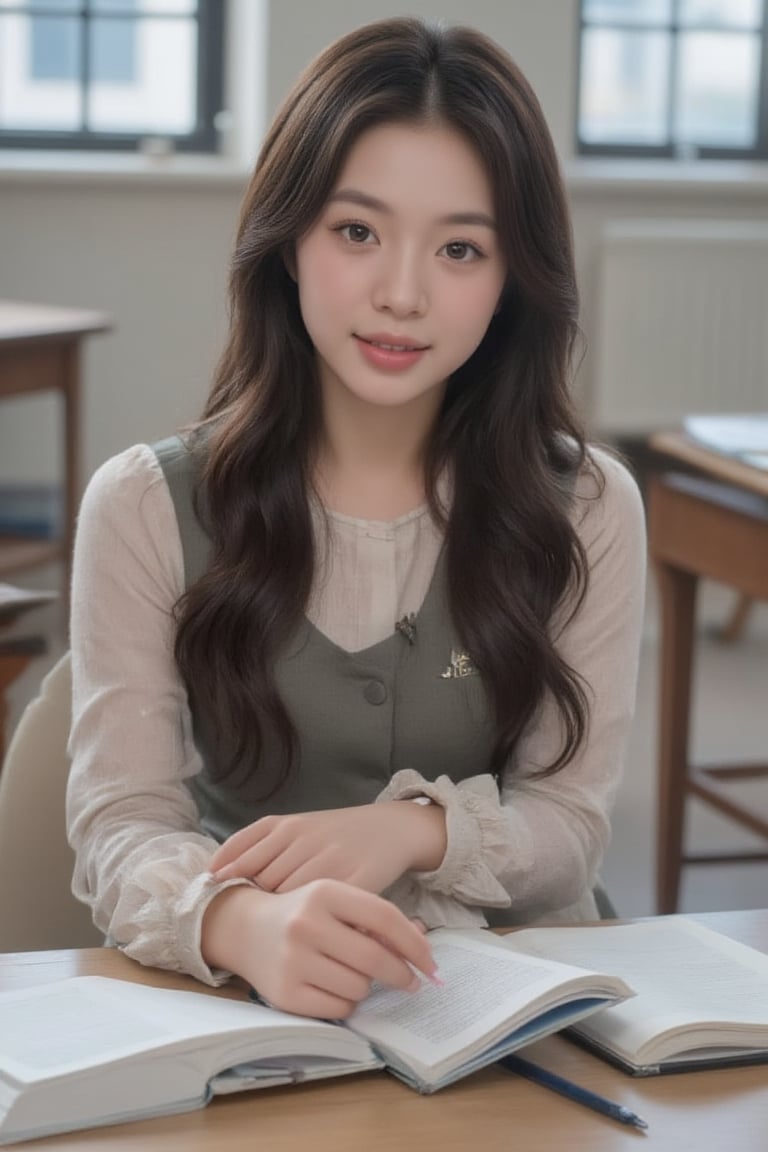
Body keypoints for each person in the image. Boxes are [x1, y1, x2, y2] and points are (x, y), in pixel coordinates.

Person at [66, 16, 646, 1021]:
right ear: (287, 241)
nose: (402, 293)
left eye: (461, 248)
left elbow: (571, 823)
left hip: (519, 1022)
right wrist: (238, 921)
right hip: (250, 1017)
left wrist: (418, 830)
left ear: (514, 281)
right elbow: (123, 823)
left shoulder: (589, 507)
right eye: (357, 232)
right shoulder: (144, 504)